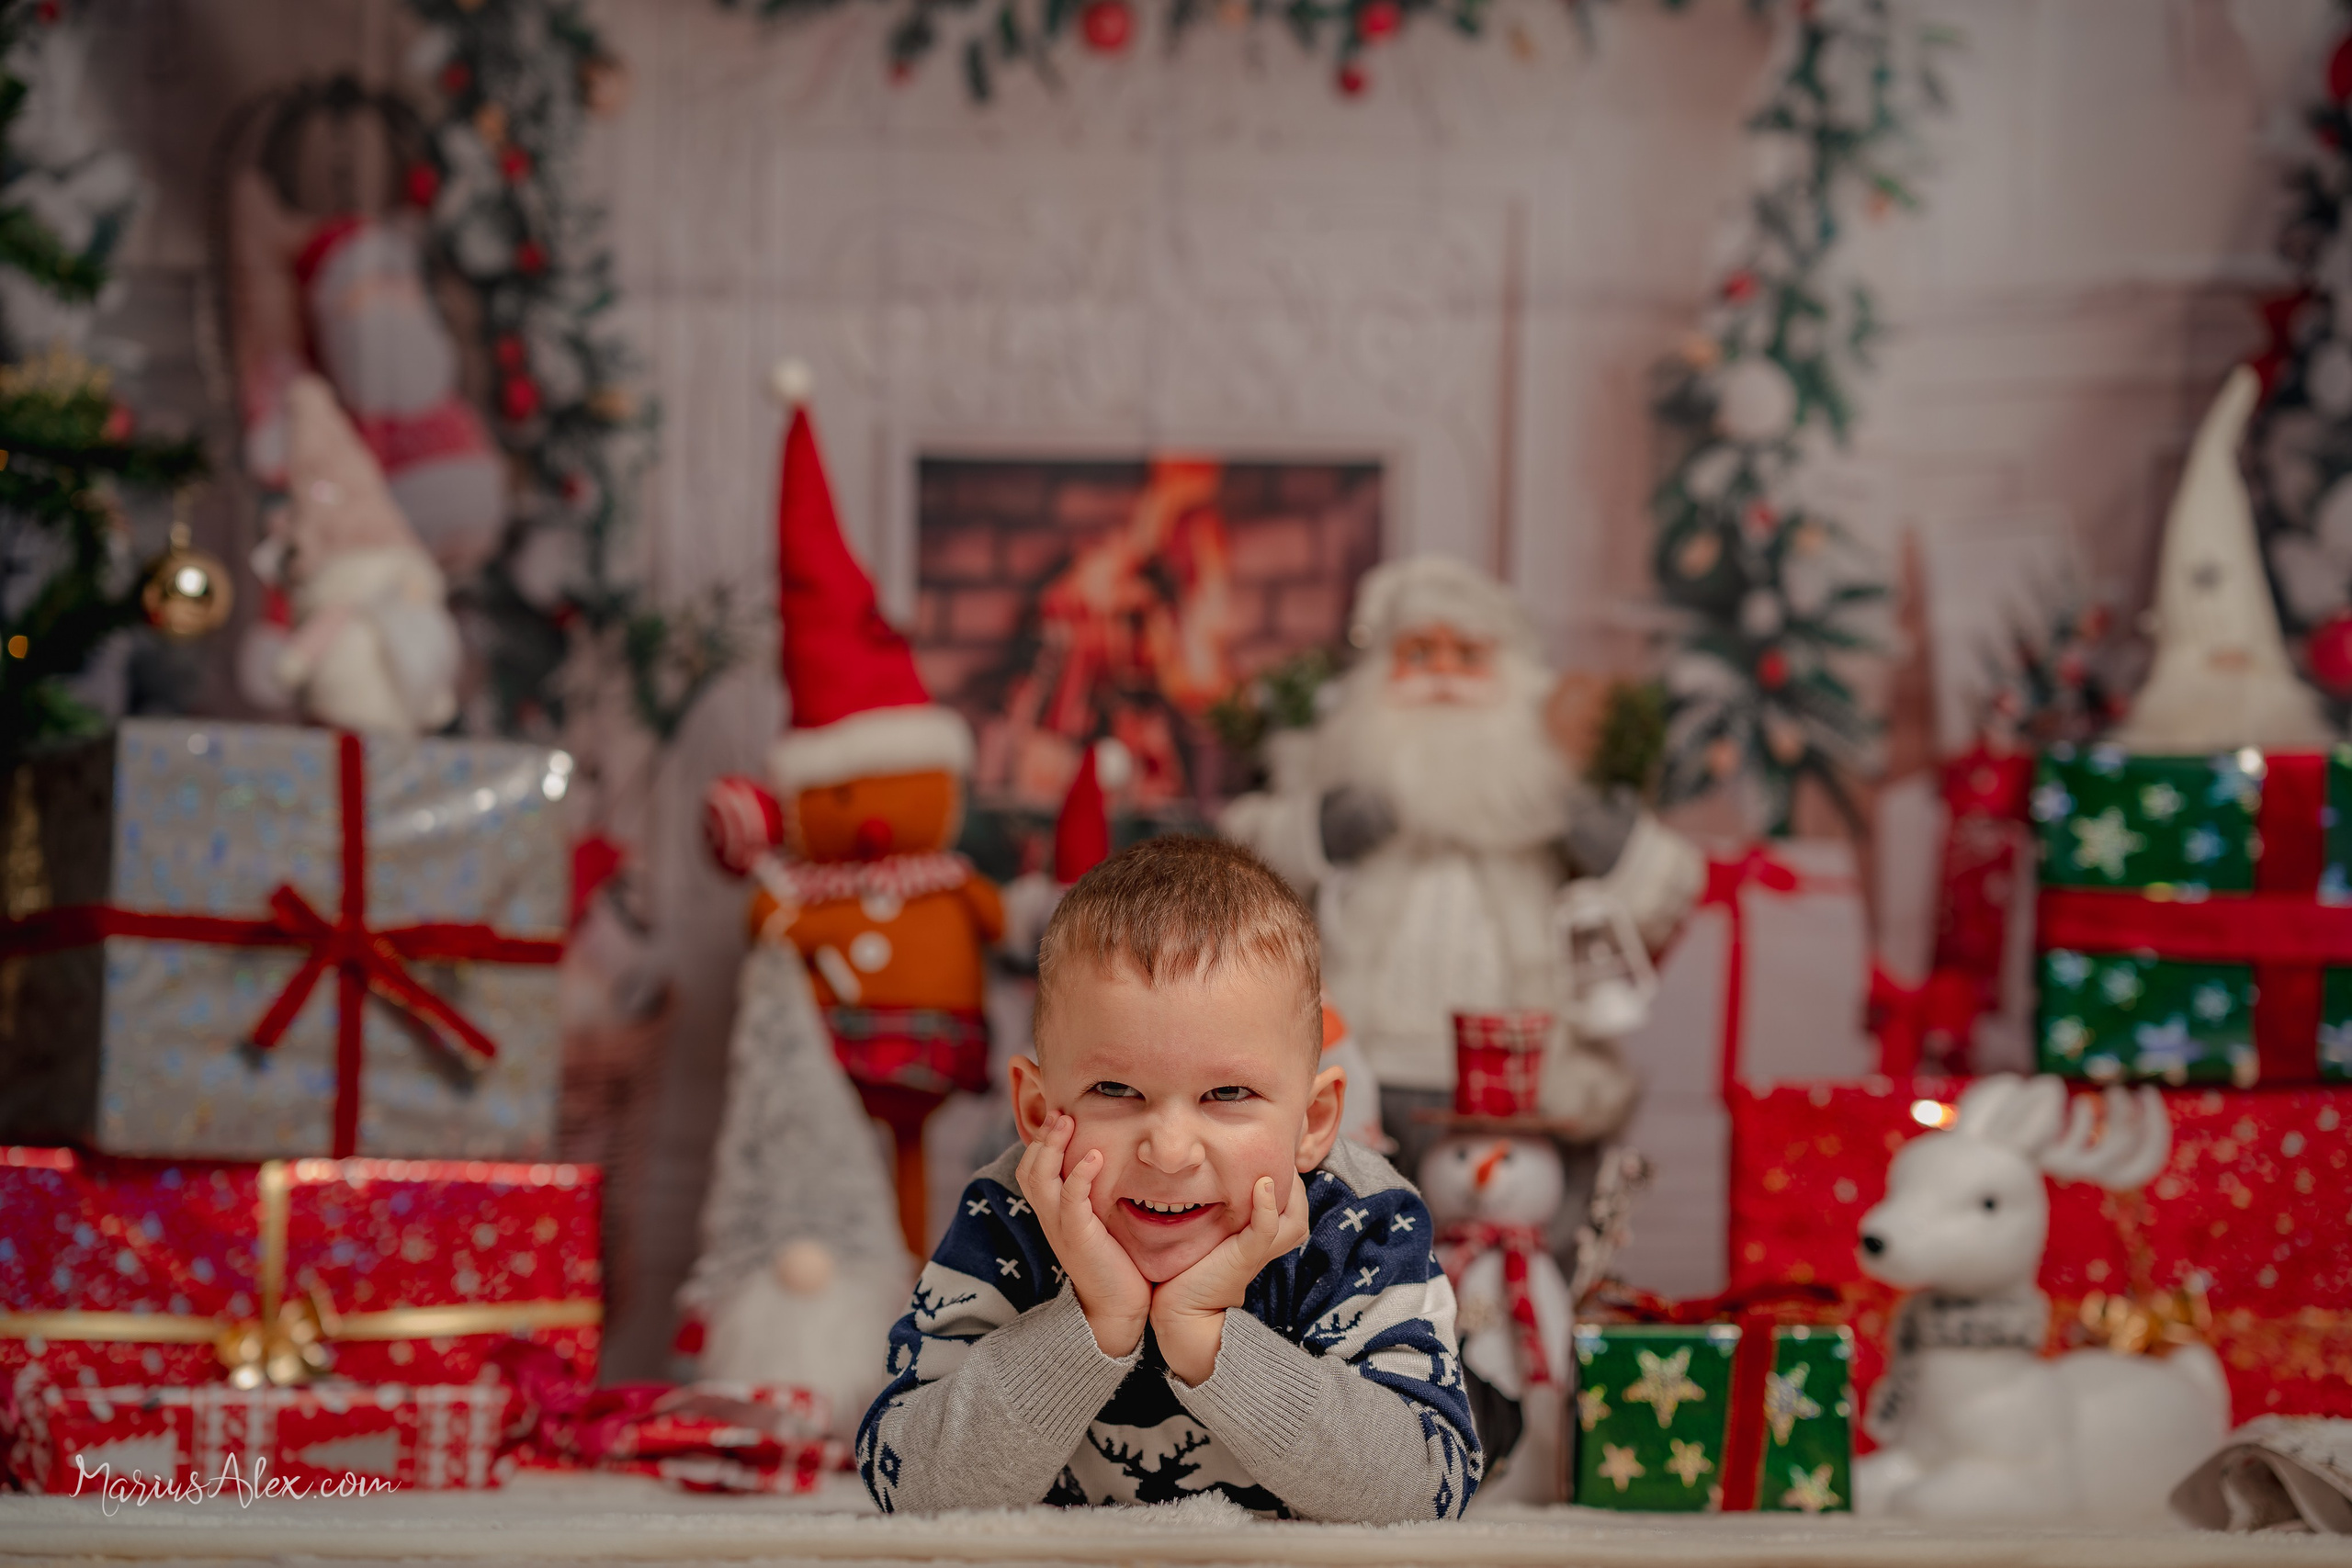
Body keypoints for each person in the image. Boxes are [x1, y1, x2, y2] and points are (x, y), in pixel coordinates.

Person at [855, 836, 1478, 1520]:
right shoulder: (1008, 1214)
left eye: (1229, 1093)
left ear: (1314, 1121)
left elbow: (1425, 1486)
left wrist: (1205, 1336)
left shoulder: (1363, 1223)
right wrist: (1095, 1321)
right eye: (1116, 1088)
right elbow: (905, 1479)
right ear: (1037, 1111)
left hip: (1392, 1371)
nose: (1172, 1151)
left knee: (1483, 1406)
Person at [1219, 555, 1702, 1176]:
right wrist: (1317, 830)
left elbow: (1667, 891)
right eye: (1418, 654)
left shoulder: (1547, 790)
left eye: (1468, 655)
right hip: (1363, 1062)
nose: (1443, 676)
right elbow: (1235, 872)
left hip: (1517, 1079)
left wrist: (1608, 839)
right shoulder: (1328, 765)